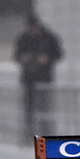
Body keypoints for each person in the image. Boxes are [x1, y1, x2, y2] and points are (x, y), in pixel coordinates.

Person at [13, 14, 63, 142]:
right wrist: (24, 59)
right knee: (28, 110)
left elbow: (58, 54)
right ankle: (29, 135)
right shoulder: (23, 39)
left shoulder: (49, 37)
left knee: (44, 109)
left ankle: (46, 135)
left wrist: (47, 58)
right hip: (28, 79)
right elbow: (16, 55)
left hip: (44, 79)